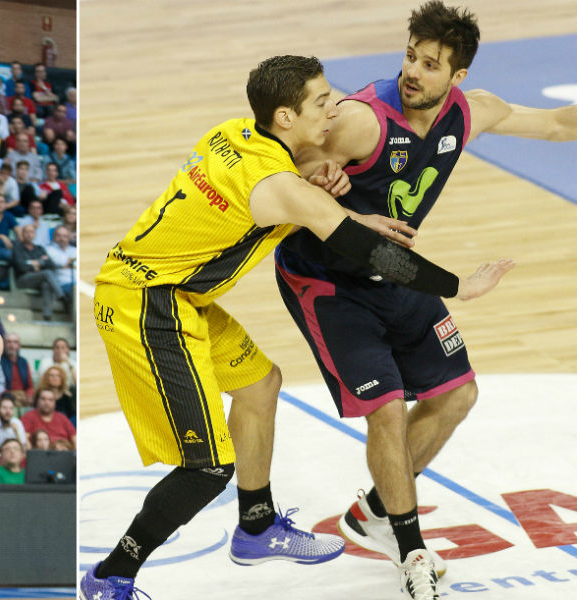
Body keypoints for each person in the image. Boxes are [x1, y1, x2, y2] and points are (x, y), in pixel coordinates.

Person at [80, 54, 513, 599]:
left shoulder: (235, 133)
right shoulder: (280, 185)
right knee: (208, 468)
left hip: (177, 291)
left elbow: (297, 195)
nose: (336, 107)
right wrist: (457, 286)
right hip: (144, 304)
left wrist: (332, 201)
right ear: (285, 116)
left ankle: (256, 528)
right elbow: (377, 255)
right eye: (321, 101)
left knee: (261, 385)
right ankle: (110, 576)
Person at [269, 4, 576, 597]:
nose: (413, 71)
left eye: (430, 64)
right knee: (385, 408)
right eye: (411, 55)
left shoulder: (473, 112)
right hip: (328, 281)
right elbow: (294, 152)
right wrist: (318, 174)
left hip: (395, 271)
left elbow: (560, 126)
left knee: (458, 393)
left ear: (455, 76)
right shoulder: (363, 120)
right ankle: (411, 552)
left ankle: (374, 515)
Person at [12, 223, 62, 321]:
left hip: (38, 279)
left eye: (31, 232)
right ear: (22, 234)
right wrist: (36, 265)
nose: (29, 234)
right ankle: (60, 294)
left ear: (34, 234)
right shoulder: (17, 248)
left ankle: (47, 314)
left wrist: (37, 262)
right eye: (26, 232)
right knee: (47, 273)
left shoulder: (39, 249)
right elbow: (20, 266)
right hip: (23, 279)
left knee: (46, 284)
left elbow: (51, 264)